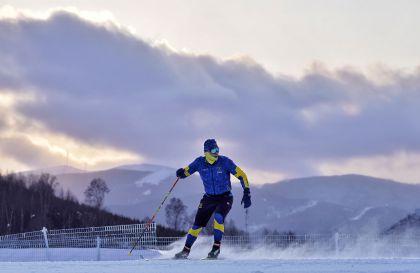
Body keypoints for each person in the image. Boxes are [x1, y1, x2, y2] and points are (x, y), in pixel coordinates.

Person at [174, 139, 251, 259]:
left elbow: (242, 175)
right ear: (206, 152)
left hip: (225, 197)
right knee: (197, 225)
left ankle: (216, 249)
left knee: (218, 218)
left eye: (218, 149)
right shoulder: (199, 162)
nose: (217, 152)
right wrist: (181, 173)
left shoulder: (225, 162)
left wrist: (247, 192)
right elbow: (186, 172)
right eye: (214, 150)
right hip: (208, 198)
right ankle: (185, 251)